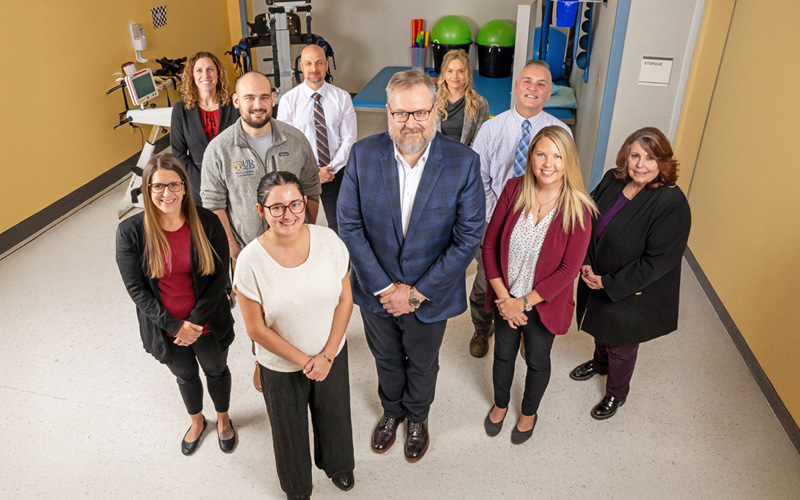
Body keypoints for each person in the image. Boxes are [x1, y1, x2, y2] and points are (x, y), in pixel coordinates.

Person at [337, 69, 484, 463]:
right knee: (384, 357)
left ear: (435, 110)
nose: (411, 122)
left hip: (430, 293)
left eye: (420, 112)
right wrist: (386, 289)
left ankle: (417, 417)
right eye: (401, 114)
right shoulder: (363, 155)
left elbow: (468, 238)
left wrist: (416, 294)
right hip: (375, 291)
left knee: (422, 362)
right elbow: (349, 226)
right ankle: (391, 411)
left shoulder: (463, 163)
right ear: (388, 112)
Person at [234, 171, 354, 499]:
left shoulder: (329, 241)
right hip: (281, 366)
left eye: (295, 204)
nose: (288, 214)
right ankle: (297, 487)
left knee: (335, 415)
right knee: (289, 430)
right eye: (277, 208)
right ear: (261, 211)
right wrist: (306, 361)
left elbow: (346, 300)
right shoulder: (249, 262)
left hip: (331, 354)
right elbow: (255, 328)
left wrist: (327, 355)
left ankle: (339, 466)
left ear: (305, 203)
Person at [202, 71, 322, 391]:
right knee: (258, 315)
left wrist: (305, 232)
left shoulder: (295, 141)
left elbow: (311, 187)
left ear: (273, 99)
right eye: (250, 98)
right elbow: (213, 204)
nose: (258, 105)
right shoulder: (220, 149)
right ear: (237, 101)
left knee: (295, 304)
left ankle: (300, 353)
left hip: (293, 248)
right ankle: (262, 360)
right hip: (246, 250)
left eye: (264, 97)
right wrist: (234, 249)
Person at [115, 153, 236, 456]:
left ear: (184, 187)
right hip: (165, 329)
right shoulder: (130, 233)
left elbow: (221, 275)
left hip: (207, 321)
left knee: (217, 371)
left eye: (173, 185)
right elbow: (136, 290)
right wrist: (175, 326)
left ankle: (223, 420)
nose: (166, 194)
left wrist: (194, 323)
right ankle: (197, 421)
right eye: (157, 187)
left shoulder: (207, 221)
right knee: (185, 375)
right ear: (147, 189)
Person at [482, 126, 594, 444]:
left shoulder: (579, 208)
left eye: (557, 156)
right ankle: (501, 404)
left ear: (568, 161)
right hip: (507, 297)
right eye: (541, 153)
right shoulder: (514, 189)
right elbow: (489, 247)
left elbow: (568, 270)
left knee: (537, 359)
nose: (548, 163)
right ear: (531, 157)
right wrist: (506, 299)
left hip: (544, 304)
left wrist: (524, 303)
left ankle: (529, 412)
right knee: (503, 354)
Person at [570, 127, 691, 420]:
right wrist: (585, 261)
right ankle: (599, 363)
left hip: (632, 288)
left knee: (621, 343)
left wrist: (608, 282)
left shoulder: (672, 204)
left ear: (663, 162)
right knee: (599, 326)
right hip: (594, 272)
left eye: (650, 158)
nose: (640, 164)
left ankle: (616, 393)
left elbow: (658, 262)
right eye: (635, 155)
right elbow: (587, 217)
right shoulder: (614, 178)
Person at [468, 60, 572, 357]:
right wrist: (497, 216)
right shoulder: (491, 128)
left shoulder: (561, 132)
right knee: (484, 280)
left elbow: (565, 181)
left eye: (541, 84)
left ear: (550, 92)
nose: (533, 88)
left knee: (534, 277)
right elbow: (479, 180)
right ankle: (481, 326)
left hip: (541, 221)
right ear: (516, 87)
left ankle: (528, 330)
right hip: (494, 219)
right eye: (527, 81)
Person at [277, 44, 357, 234]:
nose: (314, 69)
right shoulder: (289, 101)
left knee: (341, 227)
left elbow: (349, 139)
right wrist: (314, 173)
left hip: (335, 173)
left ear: (326, 65)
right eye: (309, 64)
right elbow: (286, 144)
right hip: (301, 175)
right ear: (302, 67)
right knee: (300, 228)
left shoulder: (342, 97)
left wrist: (330, 169)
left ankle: (340, 263)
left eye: (319, 63)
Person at [170, 52, 239, 205]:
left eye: (210, 69)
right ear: (192, 76)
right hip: (198, 180)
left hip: (234, 175)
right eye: (199, 70)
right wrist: (200, 181)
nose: (205, 75)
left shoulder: (234, 105)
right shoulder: (181, 110)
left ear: (218, 73)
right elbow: (178, 153)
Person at [434, 49, 489, 148]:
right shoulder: (431, 101)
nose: (455, 76)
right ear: (444, 74)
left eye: (460, 71)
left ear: (467, 74)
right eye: (450, 71)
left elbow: (479, 142)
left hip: (466, 158)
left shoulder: (480, 103)